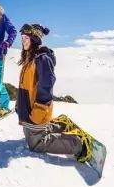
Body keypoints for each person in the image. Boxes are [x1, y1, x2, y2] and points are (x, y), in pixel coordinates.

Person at [15, 24, 94, 163]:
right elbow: (25, 85)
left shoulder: (41, 58)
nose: (23, 41)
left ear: (34, 39)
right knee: (31, 136)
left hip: (37, 110)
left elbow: (47, 86)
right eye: (22, 38)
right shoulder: (30, 57)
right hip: (28, 111)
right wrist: (19, 104)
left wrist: (39, 110)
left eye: (26, 38)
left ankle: (79, 144)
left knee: (36, 144)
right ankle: (61, 124)